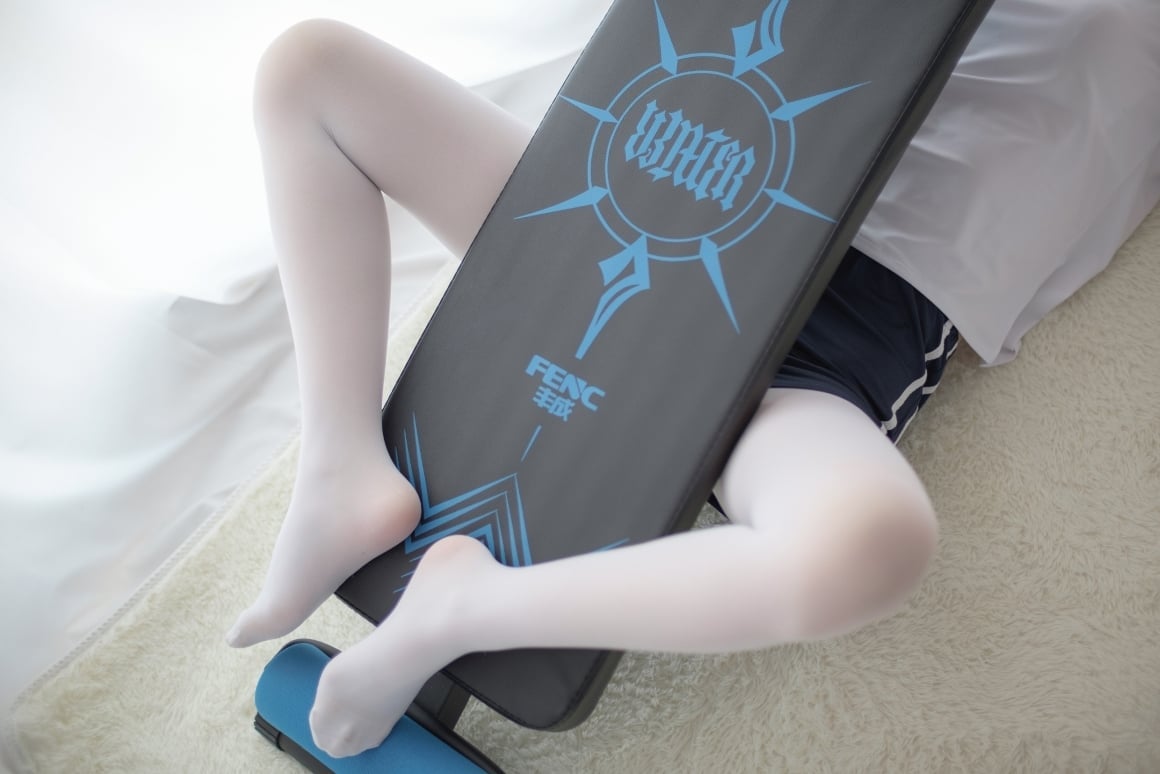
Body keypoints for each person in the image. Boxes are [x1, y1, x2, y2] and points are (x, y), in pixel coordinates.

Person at [226, 0, 1160, 758]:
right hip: (651, 201)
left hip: (830, 341)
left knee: (869, 547)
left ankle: (467, 607)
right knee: (309, 68)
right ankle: (342, 465)